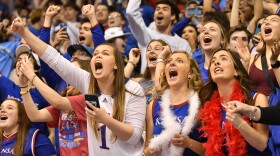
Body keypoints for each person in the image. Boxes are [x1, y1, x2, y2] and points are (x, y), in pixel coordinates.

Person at [11, 14, 146, 156]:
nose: (98, 56)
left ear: (116, 65)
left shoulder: (133, 89)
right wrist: (24, 32)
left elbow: (133, 137)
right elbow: (53, 58)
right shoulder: (88, 82)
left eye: (105, 53)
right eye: (96, 54)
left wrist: (105, 119)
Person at [199, 49, 271, 155]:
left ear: (236, 71)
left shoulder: (256, 98)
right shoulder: (209, 107)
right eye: (213, 61)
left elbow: (262, 144)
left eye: (224, 58)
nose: (216, 62)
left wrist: (240, 124)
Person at [18, 58, 90, 155]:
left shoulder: (86, 100)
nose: (69, 77)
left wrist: (32, 75)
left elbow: (57, 101)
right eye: (68, 72)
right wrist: (23, 86)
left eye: (74, 72)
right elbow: (35, 116)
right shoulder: (63, 108)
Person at [144, 51, 205, 155]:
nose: (172, 63)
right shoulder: (153, 105)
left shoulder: (201, 105)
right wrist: (152, 149)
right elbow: (147, 148)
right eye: (169, 61)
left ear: (190, 74)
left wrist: (188, 143)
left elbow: (211, 150)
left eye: (179, 61)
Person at [126, 0, 192, 73]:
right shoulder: (146, 35)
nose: (160, 11)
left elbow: (189, 68)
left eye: (165, 9)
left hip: (173, 82)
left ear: (173, 17)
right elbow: (130, 12)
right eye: (157, 9)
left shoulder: (183, 44)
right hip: (148, 83)